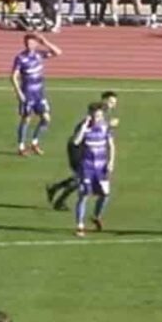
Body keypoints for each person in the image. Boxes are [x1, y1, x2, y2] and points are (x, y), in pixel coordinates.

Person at [47, 91, 118, 212]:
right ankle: (58, 198)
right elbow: (86, 128)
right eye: (111, 102)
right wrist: (108, 125)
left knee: (79, 178)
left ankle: (55, 190)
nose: (113, 105)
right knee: (80, 178)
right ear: (104, 100)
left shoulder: (102, 112)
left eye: (114, 103)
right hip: (78, 148)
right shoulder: (96, 112)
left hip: (84, 147)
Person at [68, 101, 116, 237]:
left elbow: (111, 145)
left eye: (99, 116)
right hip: (86, 166)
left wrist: (111, 161)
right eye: (94, 116)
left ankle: (96, 216)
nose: (97, 119)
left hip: (101, 166)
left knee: (105, 194)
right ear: (89, 114)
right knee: (83, 195)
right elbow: (76, 142)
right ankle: (79, 225)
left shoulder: (105, 127)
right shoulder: (83, 126)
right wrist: (83, 128)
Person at [10, 34, 63, 157]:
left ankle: (35, 143)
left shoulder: (39, 54)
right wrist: (19, 93)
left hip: (39, 93)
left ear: (36, 43)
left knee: (46, 119)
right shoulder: (20, 58)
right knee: (27, 119)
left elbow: (58, 52)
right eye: (27, 43)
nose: (29, 45)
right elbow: (13, 76)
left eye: (32, 43)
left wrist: (45, 42)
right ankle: (21, 147)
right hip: (27, 93)